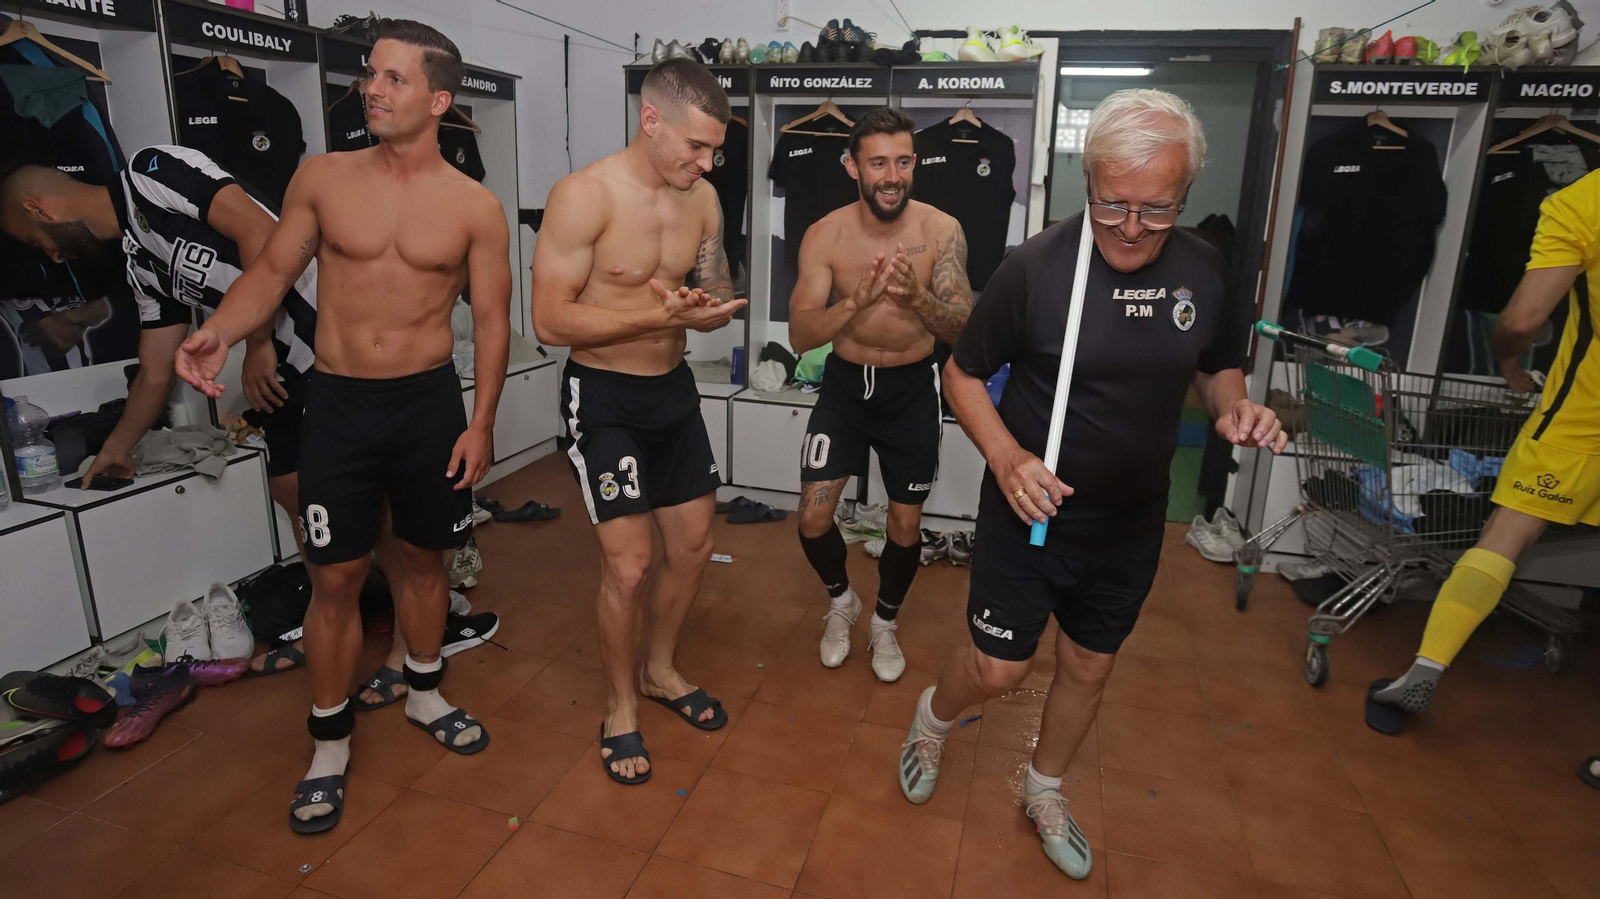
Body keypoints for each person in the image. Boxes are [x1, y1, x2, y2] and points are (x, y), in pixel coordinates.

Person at [894, 89, 1286, 879]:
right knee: (1000, 669)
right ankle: (932, 718)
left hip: (1131, 519)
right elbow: (962, 375)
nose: (1132, 227)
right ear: (1089, 182)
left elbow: (1216, 366)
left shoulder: (1205, 268)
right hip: (1031, 509)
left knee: (1089, 665)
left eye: (1157, 208)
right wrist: (1008, 459)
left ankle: (1043, 786)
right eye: (1113, 204)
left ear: (1185, 192)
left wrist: (1234, 408)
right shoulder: (1035, 268)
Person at [172, 19, 511, 834]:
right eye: (371, 73)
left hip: (428, 405)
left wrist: (483, 423)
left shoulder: (474, 206)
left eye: (394, 78)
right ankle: (329, 740)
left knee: (425, 560)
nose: (372, 89)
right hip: (339, 405)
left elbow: (494, 321)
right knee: (334, 577)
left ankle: (424, 690)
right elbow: (272, 271)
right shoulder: (322, 177)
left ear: (439, 99)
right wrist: (219, 329)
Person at [531, 58, 745, 785]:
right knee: (628, 565)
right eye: (696, 145)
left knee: (693, 547)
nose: (707, 162)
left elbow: (716, 285)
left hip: (672, 393)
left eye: (714, 149)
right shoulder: (583, 196)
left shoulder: (703, 199)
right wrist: (657, 315)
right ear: (651, 120)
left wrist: (708, 307)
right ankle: (620, 705)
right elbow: (549, 320)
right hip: (604, 397)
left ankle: (659, 669)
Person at [1371, 168, 1600, 724]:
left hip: (1585, 417)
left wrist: (1506, 357)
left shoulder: (1584, 200)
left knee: (1505, 535)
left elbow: (1523, 319)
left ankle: (1426, 668)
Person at [0, 148, 315, 546]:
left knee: (347, 492)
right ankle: (342, 583)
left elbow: (260, 232)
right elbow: (155, 372)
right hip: (285, 370)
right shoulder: (142, 268)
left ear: (38, 210)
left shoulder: (150, 171)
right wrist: (116, 449)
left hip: (331, 338)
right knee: (290, 491)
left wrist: (258, 343)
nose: (55, 256)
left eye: (38, 241)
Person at [787, 106, 973, 683]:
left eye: (903, 162)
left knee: (904, 525)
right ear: (853, 167)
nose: (892, 176)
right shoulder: (826, 234)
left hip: (911, 391)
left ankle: (885, 621)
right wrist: (855, 304)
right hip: (845, 389)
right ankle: (842, 601)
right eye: (878, 163)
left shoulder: (941, 230)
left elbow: (963, 325)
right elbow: (800, 335)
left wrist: (918, 299)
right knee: (813, 519)